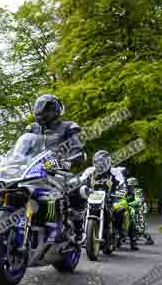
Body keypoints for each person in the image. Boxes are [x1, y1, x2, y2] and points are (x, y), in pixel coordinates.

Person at [25, 94, 87, 242]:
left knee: (77, 188)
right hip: (33, 171)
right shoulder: (32, 128)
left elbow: (77, 149)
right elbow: (22, 149)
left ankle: (78, 229)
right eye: (39, 110)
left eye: (46, 110)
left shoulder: (69, 127)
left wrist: (71, 160)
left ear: (56, 111)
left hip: (59, 171)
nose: (42, 113)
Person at [79, 150, 127, 247]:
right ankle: (81, 234)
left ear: (107, 162)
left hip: (110, 198)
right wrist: (79, 186)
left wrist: (121, 190)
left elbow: (122, 183)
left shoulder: (115, 171)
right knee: (79, 211)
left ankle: (118, 232)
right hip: (92, 198)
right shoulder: (90, 171)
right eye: (97, 162)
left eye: (102, 163)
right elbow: (81, 181)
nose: (99, 165)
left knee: (120, 209)